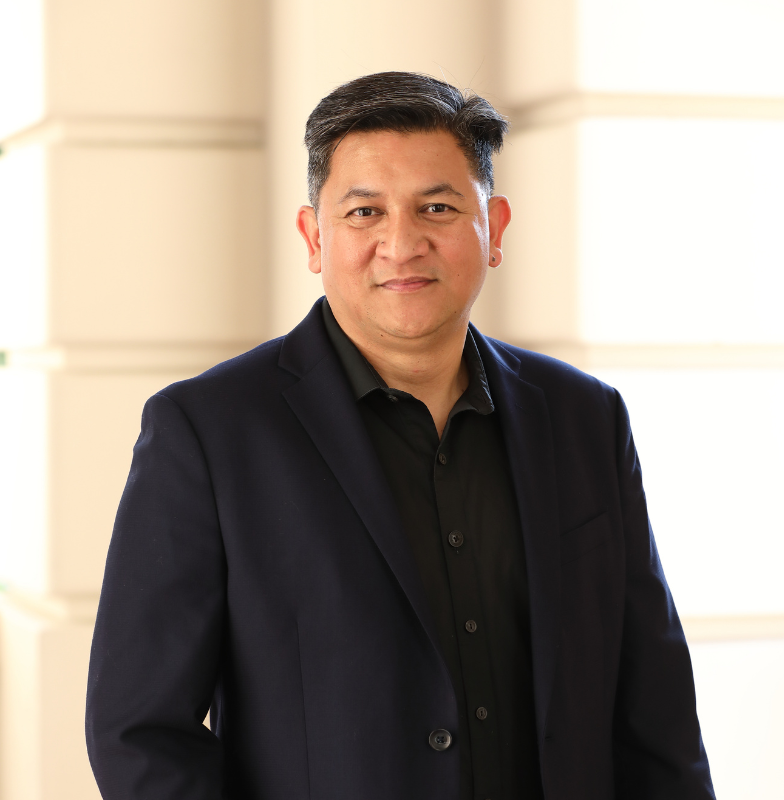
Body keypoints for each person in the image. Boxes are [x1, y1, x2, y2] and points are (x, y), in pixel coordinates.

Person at [86, 72, 715, 800]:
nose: (401, 243)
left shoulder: (583, 418)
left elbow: (657, 711)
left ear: (495, 227)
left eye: (437, 207)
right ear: (314, 237)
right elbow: (138, 732)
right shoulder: (208, 432)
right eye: (364, 212)